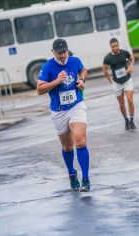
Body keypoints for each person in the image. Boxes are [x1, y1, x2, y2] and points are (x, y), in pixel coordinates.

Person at [37, 38, 91, 192]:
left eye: (64, 52)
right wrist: (56, 81)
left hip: (76, 105)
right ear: (53, 52)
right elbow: (39, 89)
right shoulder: (47, 67)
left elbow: (83, 70)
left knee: (80, 141)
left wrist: (81, 80)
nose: (62, 55)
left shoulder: (75, 60)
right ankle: (72, 174)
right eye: (59, 53)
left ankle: (86, 179)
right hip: (59, 110)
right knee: (67, 146)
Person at [102, 38, 136, 130]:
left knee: (129, 100)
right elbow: (104, 69)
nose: (115, 48)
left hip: (127, 80)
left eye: (116, 46)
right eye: (113, 46)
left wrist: (131, 67)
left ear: (119, 45)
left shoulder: (124, 53)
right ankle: (126, 120)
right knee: (121, 103)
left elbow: (132, 59)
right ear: (110, 47)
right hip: (116, 83)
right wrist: (110, 81)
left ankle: (132, 120)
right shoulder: (107, 58)